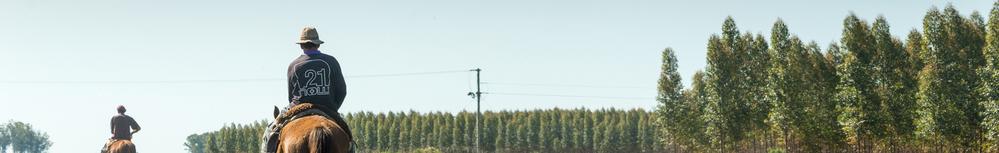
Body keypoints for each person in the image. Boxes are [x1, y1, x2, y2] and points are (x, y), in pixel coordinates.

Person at [286, 26, 351, 136]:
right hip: (328, 107)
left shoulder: (293, 65)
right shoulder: (332, 61)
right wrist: (332, 107)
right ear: (318, 44)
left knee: (271, 132)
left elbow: (291, 96)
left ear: (301, 45)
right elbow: (342, 91)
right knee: (348, 138)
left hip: (298, 109)